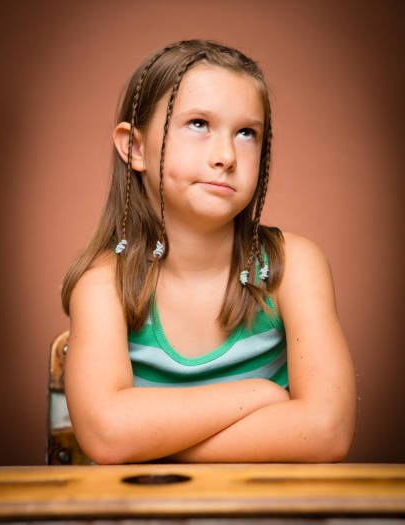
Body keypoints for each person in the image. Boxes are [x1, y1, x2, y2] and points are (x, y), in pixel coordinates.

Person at [61, 39, 357, 465]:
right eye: (198, 123)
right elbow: (107, 435)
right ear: (135, 148)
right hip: (140, 524)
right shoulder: (103, 284)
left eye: (246, 133)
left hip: (275, 520)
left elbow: (328, 432)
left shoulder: (294, 267)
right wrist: (263, 395)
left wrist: (153, 444)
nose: (226, 156)